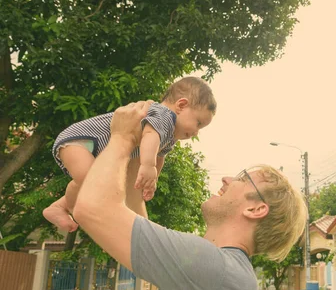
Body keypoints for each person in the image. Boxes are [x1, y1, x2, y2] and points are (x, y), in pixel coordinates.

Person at [72, 101, 307, 290]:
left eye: (243, 178)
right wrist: (140, 162)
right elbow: (136, 227)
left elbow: (93, 209)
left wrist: (122, 137)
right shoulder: (220, 269)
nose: (226, 179)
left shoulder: (213, 266)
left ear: (256, 208)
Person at [43, 77, 216, 233]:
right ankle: (68, 206)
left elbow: (159, 156)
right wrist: (147, 166)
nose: (196, 132)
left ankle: (62, 206)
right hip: (82, 139)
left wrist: (152, 178)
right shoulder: (165, 116)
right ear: (181, 105)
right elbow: (150, 136)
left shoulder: (171, 136)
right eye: (198, 123)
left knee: (94, 181)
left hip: (95, 149)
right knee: (90, 180)